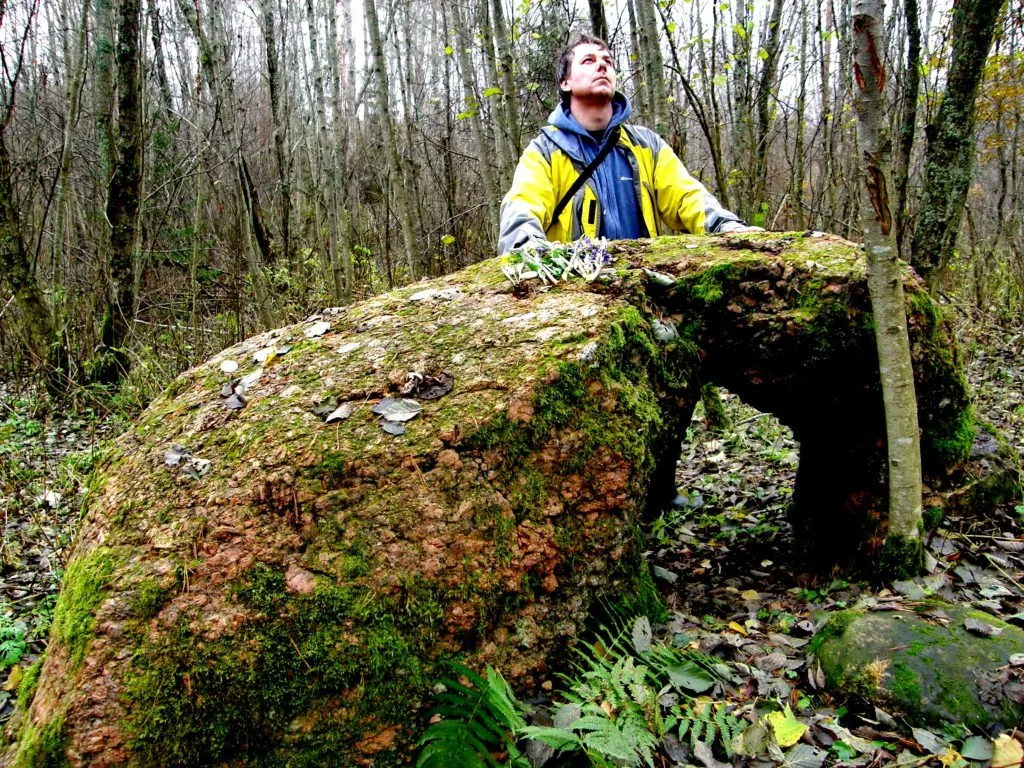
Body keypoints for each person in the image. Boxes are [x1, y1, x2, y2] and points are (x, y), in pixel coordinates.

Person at [498, 35, 760, 255]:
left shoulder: (645, 144)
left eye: (608, 62)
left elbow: (686, 197)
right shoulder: (545, 151)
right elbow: (523, 207)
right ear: (565, 83)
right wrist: (528, 253)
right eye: (588, 61)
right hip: (578, 294)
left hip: (639, 291)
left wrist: (726, 226)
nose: (601, 66)